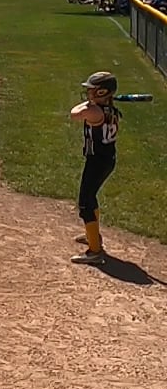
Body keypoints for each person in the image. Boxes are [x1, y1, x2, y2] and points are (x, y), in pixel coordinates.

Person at [69, 71, 122, 265]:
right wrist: (93, 102)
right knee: (90, 197)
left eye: (92, 90)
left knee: (85, 202)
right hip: (106, 160)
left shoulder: (94, 112)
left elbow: (74, 114)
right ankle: (93, 236)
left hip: (97, 162)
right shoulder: (111, 111)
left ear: (102, 92)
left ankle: (95, 251)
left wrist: (88, 104)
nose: (88, 93)